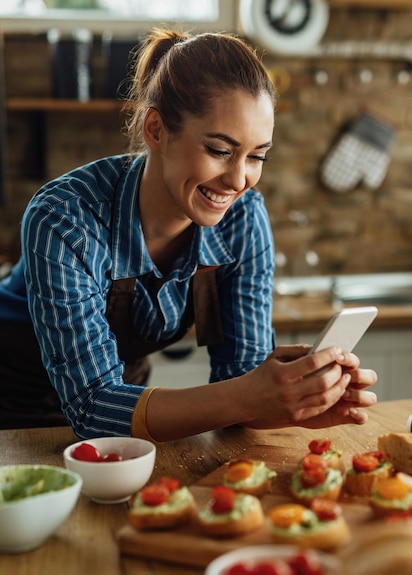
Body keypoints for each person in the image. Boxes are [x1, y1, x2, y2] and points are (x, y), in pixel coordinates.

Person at [0, 28, 377, 440]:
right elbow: (92, 405)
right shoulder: (64, 217)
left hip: (127, 405)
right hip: (16, 411)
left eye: (257, 156)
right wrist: (251, 396)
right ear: (157, 130)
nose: (238, 180)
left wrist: (295, 404)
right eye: (219, 150)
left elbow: (241, 377)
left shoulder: (243, 219)